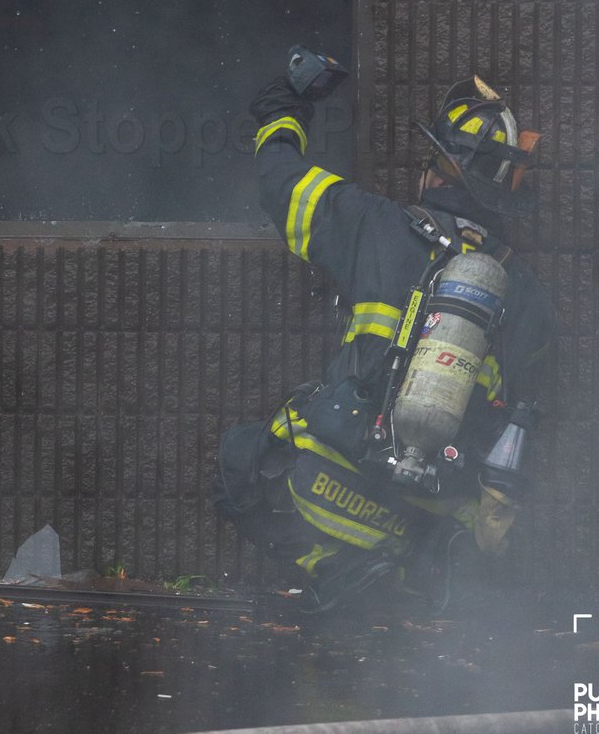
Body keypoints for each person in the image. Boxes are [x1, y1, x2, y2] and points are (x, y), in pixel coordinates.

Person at [213, 69, 556, 613]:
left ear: (439, 169)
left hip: (335, 477)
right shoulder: (531, 297)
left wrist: (283, 107)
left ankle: (333, 567)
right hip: (437, 512)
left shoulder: (374, 224)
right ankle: (410, 576)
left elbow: (280, 181)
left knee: (241, 460)